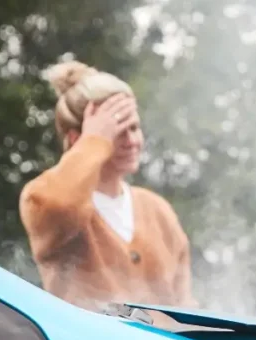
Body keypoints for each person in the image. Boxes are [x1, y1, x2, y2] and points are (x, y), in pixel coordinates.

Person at [19, 60, 195, 312]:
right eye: (117, 131)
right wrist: (94, 141)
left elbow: (185, 304)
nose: (132, 140)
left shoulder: (157, 210)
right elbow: (58, 206)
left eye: (134, 127)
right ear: (77, 138)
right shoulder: (43, 197)